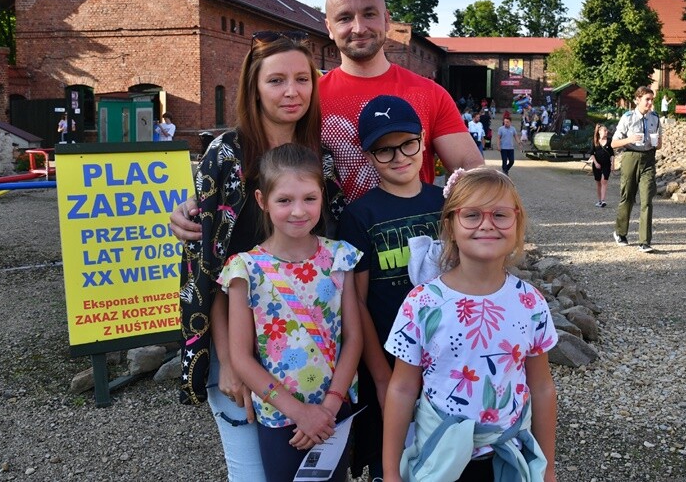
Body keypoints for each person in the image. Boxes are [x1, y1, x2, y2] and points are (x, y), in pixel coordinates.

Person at [179, 33, 345, 482]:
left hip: (305, 347)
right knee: (252, 473)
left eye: (302, 79)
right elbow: (210, 266)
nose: (291, 91)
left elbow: (332, 252)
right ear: (254, 87)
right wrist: (230, 362)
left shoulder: (322, 159)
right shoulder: (226, 156)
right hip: (237, 342)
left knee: (308, 472)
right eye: (276, 80)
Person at [382, 168, 558, 481]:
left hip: (508, 459)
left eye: (500, 215)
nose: (487, 224)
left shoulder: (531, 303)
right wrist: (391, 471)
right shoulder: (422, 302)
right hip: (439, 458)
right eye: (472, 215)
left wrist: (548, 469)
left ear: (517, 222)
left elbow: (542, 387)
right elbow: (402, 388)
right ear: (450, 225)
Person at [221, 143, 362, 482]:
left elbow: (354, 338)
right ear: (262, 201)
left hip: (334, 410)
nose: (298, 211)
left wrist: (328, 407)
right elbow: (240, 357)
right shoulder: (245, 269)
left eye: (309, 198)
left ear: (322, 196)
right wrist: (299, 412)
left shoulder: (340, 257)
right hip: (279, 416)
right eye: (284, 200)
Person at [338, 95, 445, 482]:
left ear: (423, 141)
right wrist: (382, 376)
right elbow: (358, 302)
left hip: (447, 360)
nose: (399, 157)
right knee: (393, 461)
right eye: (384, 150)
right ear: (369, 157)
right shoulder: (359, 215)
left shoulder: (447, 203)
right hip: (388, 362)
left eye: (407, 144)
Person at [319, 0, 483, 201]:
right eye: (345, 18)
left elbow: (469, 167)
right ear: (329, 28)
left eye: (369, 14)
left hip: (413, 223)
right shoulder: (310, 99)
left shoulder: (429, 93)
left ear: (386, 20)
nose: (359, 28)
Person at [611, 86, 662, 253]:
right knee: (628, 196)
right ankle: (620, 232)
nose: (650, 103)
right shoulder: (628, 118)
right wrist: (630, 139)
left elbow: (659, 144)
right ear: (637, 100)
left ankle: (644, 241)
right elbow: (614, 143)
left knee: (647, 199)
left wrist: (657, 143)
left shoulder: (655, 118)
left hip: (648, 158)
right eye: (647, 99)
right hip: (630, 157)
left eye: (652, 100)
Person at [591, 123, 615, 207]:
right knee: (598, 183)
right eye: (604, 130)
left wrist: (612, 164)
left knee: (604, 181)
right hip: (597, 164)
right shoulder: (595, 141)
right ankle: (599, 200)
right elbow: (592, 154)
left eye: (606, 130)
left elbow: (612, 154)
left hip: (606, 164)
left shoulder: (610, 141)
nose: (606, 132)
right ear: (599, 132)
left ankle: (603, 200)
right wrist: (596, 163)